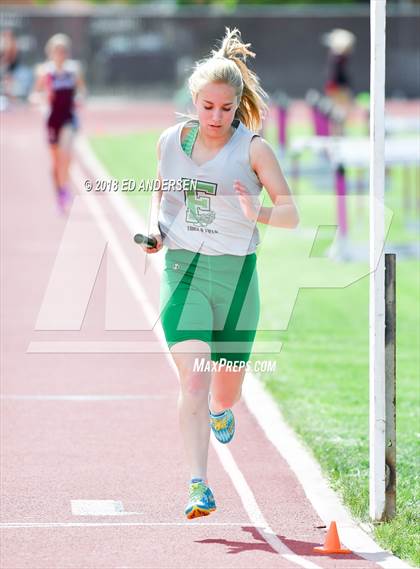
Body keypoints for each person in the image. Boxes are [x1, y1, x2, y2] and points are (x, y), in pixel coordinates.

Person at [139, 27, 299, 519]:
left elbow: (291, 214)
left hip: (236, 280)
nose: (215, 117)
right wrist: (157, 233)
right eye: (207, 107)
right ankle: (198, 486)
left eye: (225, 108)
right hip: (184, 271)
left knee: (225, 387)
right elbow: (164, 195)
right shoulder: (170, 141)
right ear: (193, 100)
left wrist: (258, 214)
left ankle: (220, 411)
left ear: (238, 104)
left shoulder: (254, 149)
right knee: (192, 380)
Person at [30, 33, 86, 214]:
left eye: (63, 51)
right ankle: (59, 193)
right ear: (51, 52)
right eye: (57, 51)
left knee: (66, 157)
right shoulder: (45, 72)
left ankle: (66, 185)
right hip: (52, 120)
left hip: (68, 119)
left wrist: (79, 98)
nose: (60, 54)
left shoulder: (73, 71)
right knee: (55, 162)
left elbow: (82, 90)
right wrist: (41, 98)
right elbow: (33, 95)